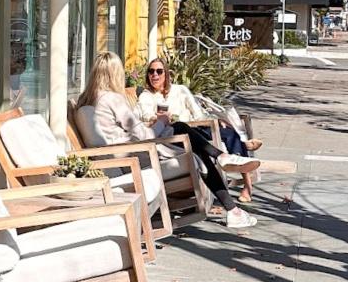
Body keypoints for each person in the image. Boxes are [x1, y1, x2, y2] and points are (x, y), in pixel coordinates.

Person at [77, 52, 256, 230]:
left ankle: (224, 169)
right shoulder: (112, 98)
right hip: (136, 154)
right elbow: (143, 135)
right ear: (115, 74)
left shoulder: (86, 98)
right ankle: (231, 202)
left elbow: (127, 130)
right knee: (195, 150)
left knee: (182, 129)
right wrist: (162, 121)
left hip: (126, 150)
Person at [135, 58, 262, 203]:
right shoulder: (147, 95)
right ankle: (245, 147)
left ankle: (247, 183)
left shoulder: (181, 90)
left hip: (197, 126)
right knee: (221, 140)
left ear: (166, 74)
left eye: (159, 71)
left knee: (228, 133)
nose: (155, 75)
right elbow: (146, 115)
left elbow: (199, 113)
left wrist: (215, 120)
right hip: (177, 134)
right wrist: (156, 118)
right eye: (151, 72)